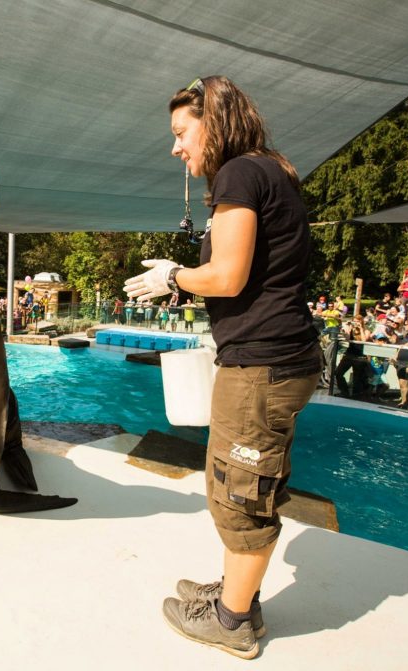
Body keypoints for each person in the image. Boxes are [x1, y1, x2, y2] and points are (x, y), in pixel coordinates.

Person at [124, 75, 320, 660]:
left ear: (215, 121)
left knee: (240, 494)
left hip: (261, 364)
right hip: (279, 356)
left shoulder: (238, 173)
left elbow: (229, 275)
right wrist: (185, 289)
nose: (176, 148)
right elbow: (253, 278)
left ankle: (233, 621)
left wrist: (174, 277)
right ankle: (239, 593)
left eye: (182, 133)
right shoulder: (269, 168)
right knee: (241, 482)